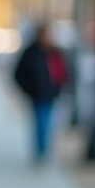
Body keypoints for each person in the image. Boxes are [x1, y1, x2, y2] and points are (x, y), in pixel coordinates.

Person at [13, 22, 69, 162]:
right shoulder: (30, 52)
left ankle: (43, 150)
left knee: (48, 123)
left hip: (51, 94)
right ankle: (40, 151)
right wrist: (27, 89)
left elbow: (63, 72)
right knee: (40, 122)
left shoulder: (54, 51)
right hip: (36, 94)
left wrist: (60, 87)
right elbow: (18, 74)